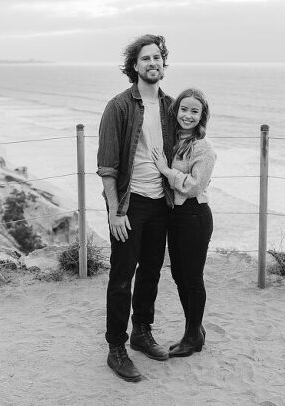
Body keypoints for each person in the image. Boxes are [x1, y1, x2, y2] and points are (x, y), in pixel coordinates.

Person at [96, 34, 176, 382]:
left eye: (157, 57)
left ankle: (142, 332)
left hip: (161, 202)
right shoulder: (119, 106)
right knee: (122, 276)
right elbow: (107, 166)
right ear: (134, 66)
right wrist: (115, 211)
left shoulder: (171, 106)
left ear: (163, 63)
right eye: (145, 58)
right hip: (130, 204)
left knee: (151, 271)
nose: (152, 63)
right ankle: (116, 347)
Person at [152, 88, 216, 358]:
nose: (188, 115)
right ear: (176, 110)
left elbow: (194, 186)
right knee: (179, 275)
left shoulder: (203, 147)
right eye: (184, 109)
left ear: (202, 116)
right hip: (176, 216)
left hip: (195, 215)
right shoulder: (174, 141)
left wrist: (167, 171)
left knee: (192, 278)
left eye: (194, 111)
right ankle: (195, 331)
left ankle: (192, 337)